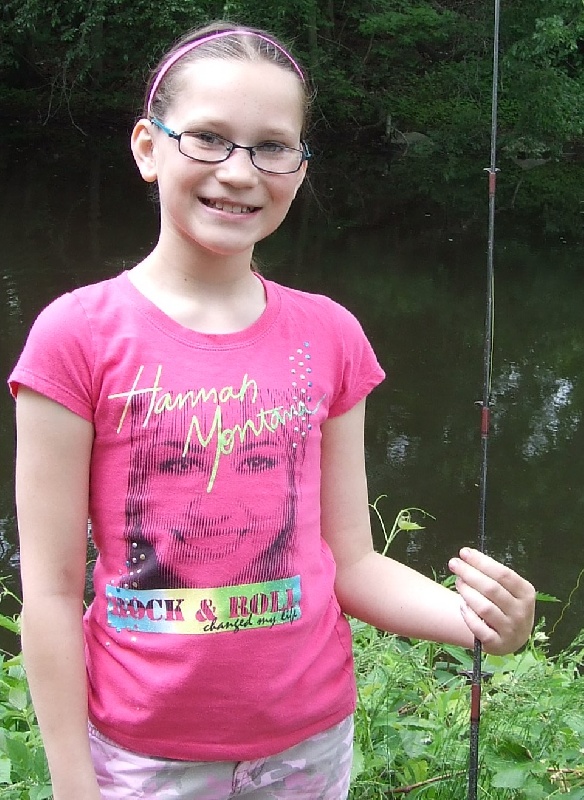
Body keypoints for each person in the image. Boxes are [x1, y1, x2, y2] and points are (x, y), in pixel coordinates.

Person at [9, 20, 535, 800]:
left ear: (299, 167)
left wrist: (481, 622)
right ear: (149, 149)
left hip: (311, 745)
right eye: (209, 138)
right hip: (142, 756)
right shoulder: (74, 336)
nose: (240, 171)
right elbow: (51, 595)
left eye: (273, 146)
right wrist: (72, 785)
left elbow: (351, 563)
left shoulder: (330, 334)